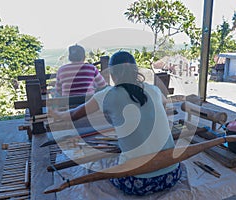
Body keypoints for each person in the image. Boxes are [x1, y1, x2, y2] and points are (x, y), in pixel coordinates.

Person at [49, 51, 181, 196]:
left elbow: (75, 114)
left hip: (137, 182)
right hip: (172, 173)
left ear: (112, 73)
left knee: (105, 164)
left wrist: (56, 114)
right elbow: (163, 103)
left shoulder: (106, 95)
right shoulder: (154, 90)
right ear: (135, 70)